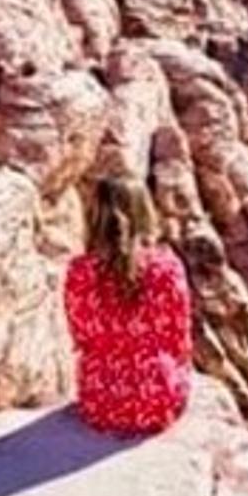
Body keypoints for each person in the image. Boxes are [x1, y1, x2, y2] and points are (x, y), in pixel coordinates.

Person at [63, 175, 193, 436]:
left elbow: (81, 335)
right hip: (156, 400)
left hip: (99, 402)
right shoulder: (166, 267)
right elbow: (179, 338)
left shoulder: (79, 271)